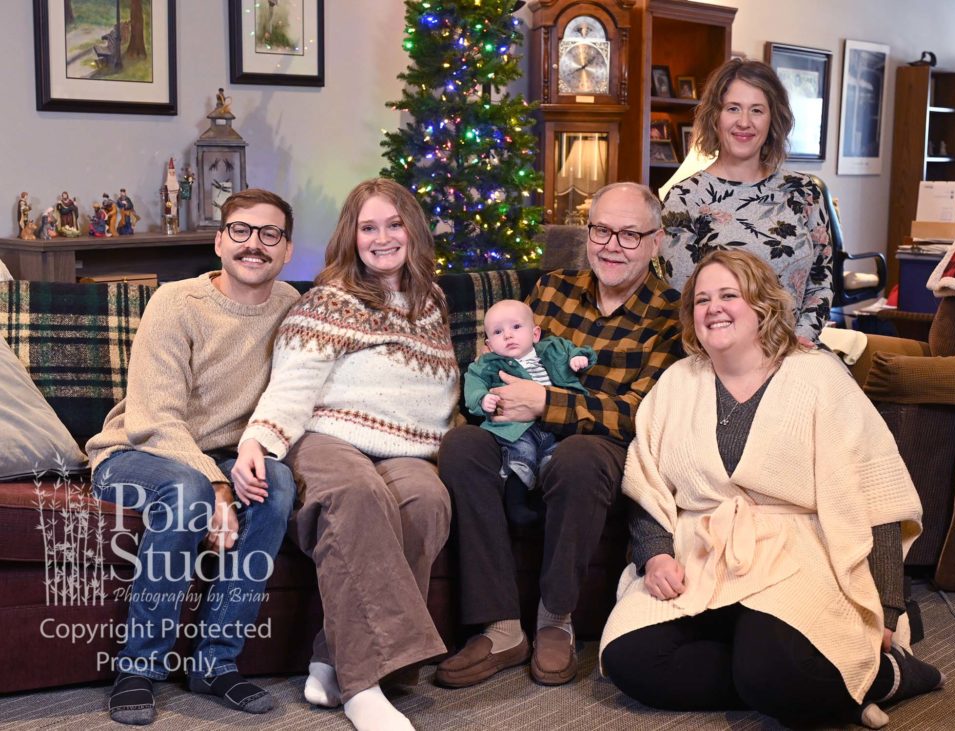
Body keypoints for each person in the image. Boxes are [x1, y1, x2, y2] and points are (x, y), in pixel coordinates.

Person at [600, 249, 944, 728]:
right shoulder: (677, 383)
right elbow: (645, 484)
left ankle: (886, 674)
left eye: (729, 295)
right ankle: (821, 674)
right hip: (701, 557)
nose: (713, 309)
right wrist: (655, 555)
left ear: (762, 305)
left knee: (770, 674)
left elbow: (876, 495)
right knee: (628, 659)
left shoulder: (819, 377)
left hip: (798, 557)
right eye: (702, 300)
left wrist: (887, 607)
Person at [435, 181, 684, 689]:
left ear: (656, 241)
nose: (611, 246)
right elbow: (510, 359)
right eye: (601, 230)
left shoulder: (670, 314)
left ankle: (555, 620)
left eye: (629, 235)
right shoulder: (552, 289)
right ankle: (501, 626)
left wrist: (548, 403)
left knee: (579, 455)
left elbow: (641, 413)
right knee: (463, 445)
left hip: (600, 449)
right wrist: (499, 397)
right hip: (521, 429)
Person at [232, 177, 459, 731]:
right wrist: (258, 439)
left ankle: (332, 660)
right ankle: (364, 687)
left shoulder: (432, 300)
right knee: (355, 493)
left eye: (393, 224)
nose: (382, 238)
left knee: (427, 500)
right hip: (328, 437)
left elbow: (440, 389)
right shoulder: (329, 300)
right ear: (350, 237)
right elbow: (293, 383)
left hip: (408, 450)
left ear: (413, 229)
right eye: (368, 228)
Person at [85, 189, 301, 725]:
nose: (254, 244)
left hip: (229, 453)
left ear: (287, 250)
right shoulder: (176, 302)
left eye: (270, 234)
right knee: (188, 492)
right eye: (241, 231)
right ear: (219, 241)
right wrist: (218, 487)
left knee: (276, 486)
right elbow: (154, 418)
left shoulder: (292, 308)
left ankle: (215, 663)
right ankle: (138, 667)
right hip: (136, 450)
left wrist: (241, 466)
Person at [661, 58, 833, 344]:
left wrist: (799, 341)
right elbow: (687, 301)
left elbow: (821, 282)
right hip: (722, 353)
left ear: (773, 119)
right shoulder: (684, 198)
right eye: (733, 108)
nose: (744, 122)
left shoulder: (804, 191)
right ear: (715, 117)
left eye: (757, 110)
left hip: (797, 349)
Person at [465, 298, 596, 527]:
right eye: (498, 332)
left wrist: (579, 357)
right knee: (522, 455)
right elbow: (473, 385)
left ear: (535, 334)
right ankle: (515, 506)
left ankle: (547, 506)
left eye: (516, 327)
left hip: (555, 424)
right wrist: (482, 398)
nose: (508, 335)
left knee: (557, 458)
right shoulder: (488, 365)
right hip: (516, 428)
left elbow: (575, 351)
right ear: (489, 345)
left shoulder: (553, 349)